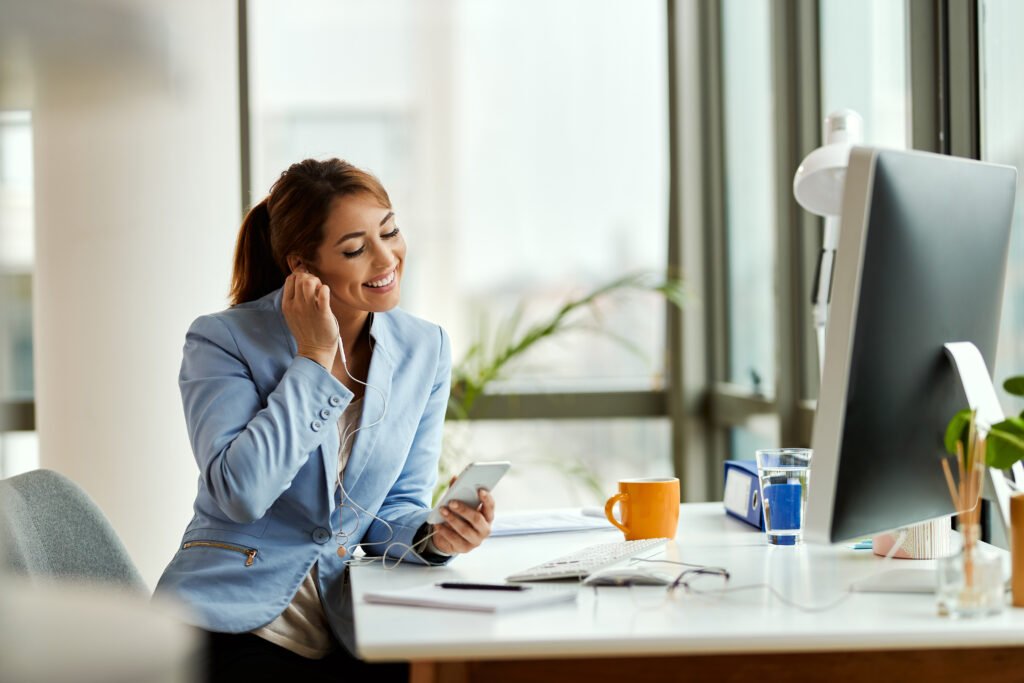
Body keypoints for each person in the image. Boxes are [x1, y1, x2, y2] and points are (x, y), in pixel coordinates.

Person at [153, 158, 495, 682]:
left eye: (391, 231)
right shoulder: (223, 341)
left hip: (345, 622)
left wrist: (435, 536)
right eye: (356, 249)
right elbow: (241, 493)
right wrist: (314, 356)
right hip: (225, 619)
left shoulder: (425, 348)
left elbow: (394, 510)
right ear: (303, 268)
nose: (387, 259)